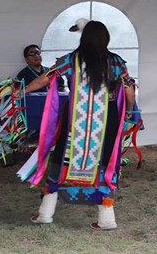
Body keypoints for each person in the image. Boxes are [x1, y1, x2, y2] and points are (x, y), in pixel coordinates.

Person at [23, 20, 137, 230]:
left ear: (83, 38)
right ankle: (107, 220)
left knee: (62, 160)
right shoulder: (116, 62)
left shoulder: (70, 60)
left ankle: (45, 214)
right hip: (106, 121)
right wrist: (129, 112)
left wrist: (20, 92)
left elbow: (44, 80)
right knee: (103, 162)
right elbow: (129, 91)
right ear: (106, 39)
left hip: (75, 120)